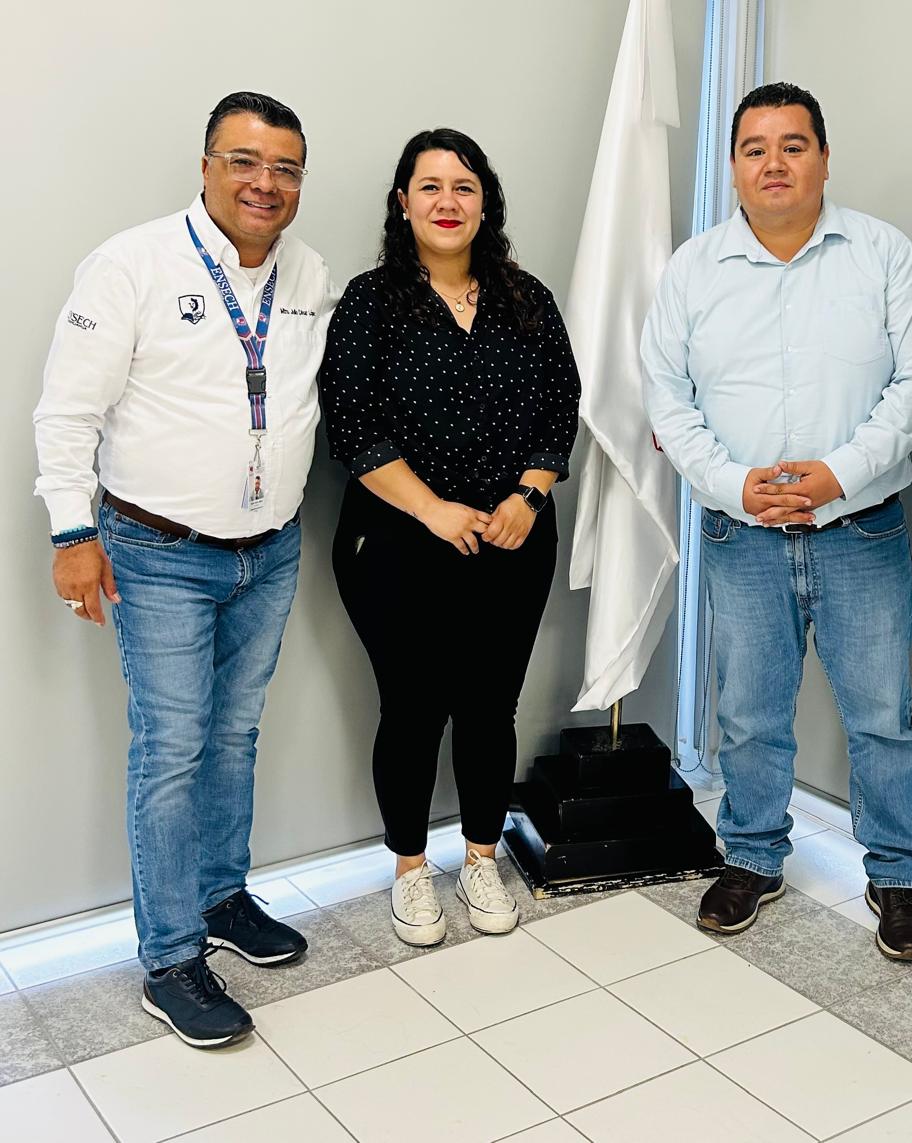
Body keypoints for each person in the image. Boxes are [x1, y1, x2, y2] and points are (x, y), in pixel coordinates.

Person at [33, 92, 335, 1049]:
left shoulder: (309, 272)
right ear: (205, 167)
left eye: (285, 168)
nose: (265, 183)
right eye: (244, 161)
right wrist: (70, 532)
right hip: (158, 551)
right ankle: (169, 959)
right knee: (172, 747)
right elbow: (67, 412)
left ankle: (220, 897)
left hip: (270, 548)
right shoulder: (132, 264)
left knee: (235, 733)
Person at [642, 83, 912, 957]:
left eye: (793, 145)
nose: (773, 163)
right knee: (748, 712)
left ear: (824, 156)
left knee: (883, 717)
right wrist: (736, 485)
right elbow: (667, 398)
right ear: (734, 166)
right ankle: (751, 855)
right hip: (740, 534)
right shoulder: (693, 270)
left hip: (862, 529)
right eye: (755, 148)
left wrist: (837, 473)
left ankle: (898, 876)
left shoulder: (882, 255)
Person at [319, 129, 580, 946]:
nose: (447, 201)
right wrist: (431, 508)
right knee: (412, 708)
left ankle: (478, 857)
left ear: (484, 203)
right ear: (402, 203)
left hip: (513, 539)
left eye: (463, 187)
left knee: (491, 706)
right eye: (429, 187)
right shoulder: (370, 301)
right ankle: (409, 868)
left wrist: (529, 496)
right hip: (396, 543)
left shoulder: (526, 298)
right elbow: (350, 423)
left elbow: (561, 405)